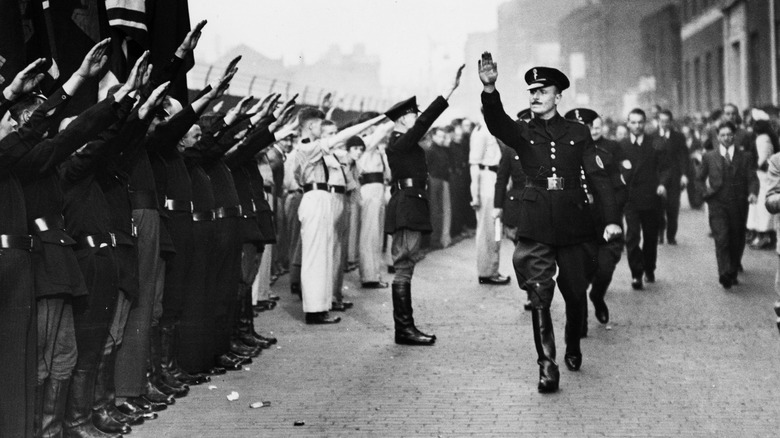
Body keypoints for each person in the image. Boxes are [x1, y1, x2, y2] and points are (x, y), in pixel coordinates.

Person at [478, 53, 621, 393]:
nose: (536, 96)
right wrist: (489, 88)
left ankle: (573, 343)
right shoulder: (522, 130)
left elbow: (599, 178)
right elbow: (497, 122)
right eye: (532, 91)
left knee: (574, 293)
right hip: (537, 219)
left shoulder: (578, 132)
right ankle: (547, 365)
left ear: (559, 96)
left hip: (574, 221)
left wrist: (612, 220)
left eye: (543, 90)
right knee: (540, 293)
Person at [384, 63, 465, 345]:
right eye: (413, 115)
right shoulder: (397, 142)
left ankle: (405, 328)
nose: (417, 119)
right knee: (404, 265)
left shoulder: (402, 141)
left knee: (407, 265)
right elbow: (423, 124)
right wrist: (448, 91)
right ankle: (404, 329)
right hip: (407, 205)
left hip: (411, 203)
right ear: (404, 119)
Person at [564, 108, 628, 335]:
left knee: (604, 270)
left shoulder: (602, 157)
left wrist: (610, 217)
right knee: (576, 277)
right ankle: (578, 326)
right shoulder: (560, 159)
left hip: (602, 226)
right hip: (575, 229)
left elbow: (616, 191)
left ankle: (598, 296)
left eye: (586, 127)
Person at [697, 121, 758, 288]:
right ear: (718, 137)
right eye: (722, 135)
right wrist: (705, 193)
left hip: (738, 204)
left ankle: (733, 268)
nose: (726, 138)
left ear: (734, 136)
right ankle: (724, 273)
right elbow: (699, 178)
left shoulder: (745, 157)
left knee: (737, 239)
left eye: (729, 135)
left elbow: (752, 177)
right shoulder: (709, 157)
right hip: (717, 203)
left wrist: (753, 193)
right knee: (722, 238)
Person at [619, 108, 670, 290]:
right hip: (631, 199)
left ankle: (649, 267)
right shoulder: (621, 146)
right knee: (632, 236)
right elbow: (615, 172)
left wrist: (662, 183)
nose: (637, 126)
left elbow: (665, 167)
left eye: (640, 122)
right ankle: (636, 274)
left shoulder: (655, 144)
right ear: (628, 123)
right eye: (633, 122)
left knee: (650, 237)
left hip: (651, 197)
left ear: (645, 123)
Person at [470, 112, 510, 285]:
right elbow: (474, 164)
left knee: (495, 228)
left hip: (495, 179)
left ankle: (492, 268)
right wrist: (475, 193)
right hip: (487, 180)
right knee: (488, 229)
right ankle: (487, 272)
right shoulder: (481, 132)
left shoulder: (492, 129)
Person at [654, 110, 688, 245]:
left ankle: (671, 235)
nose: (664, 124)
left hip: (674, 177)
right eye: (661, 121)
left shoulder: (678, 137)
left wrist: (684, 175)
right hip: (657, 177)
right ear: (658, 121)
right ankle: (659, 233)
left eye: (667, 121)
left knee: (673, 207)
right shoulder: (652, 137)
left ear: (671, 122)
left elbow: (684, 157)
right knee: (658, 208)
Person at [746, 118, 779, 249]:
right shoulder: (766, 137)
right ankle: (761, 234)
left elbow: (763, 157)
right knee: (758, 207)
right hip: (763, 175)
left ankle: (764, 235)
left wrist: (755, 167)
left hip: (763, 176)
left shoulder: (763, 138)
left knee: (761, 206)